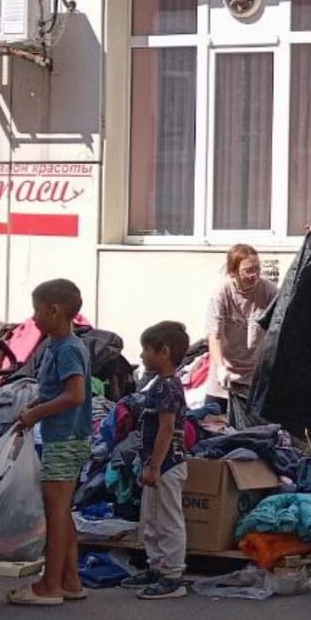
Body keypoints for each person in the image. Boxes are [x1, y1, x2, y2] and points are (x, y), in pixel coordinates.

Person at [7, 279, 92, 607]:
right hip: (64, 436)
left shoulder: (68, 348)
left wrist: (37, 413)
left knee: (55, 510)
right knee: (61, 509)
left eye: (37, 310)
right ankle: (70, 580)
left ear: (54, 310)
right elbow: (56, 391)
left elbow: (75, 394)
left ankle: (50, 584)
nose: (34, 318)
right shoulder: (58, 346)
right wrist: (34, 408)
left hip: (65, 438)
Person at [121, 321, 191, 600]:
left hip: (167, 464)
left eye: (146, 349)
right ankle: (157, 566)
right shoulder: (158, 385)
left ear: (164, 352)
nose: (142, 355)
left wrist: (155, 466)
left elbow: (166, 428)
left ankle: (172, 575)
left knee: (168, 520)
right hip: (155, 463)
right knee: (151, 519)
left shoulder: (169, 387)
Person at [204, 244, 278, 411]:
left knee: (255, 424)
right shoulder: (221, 294)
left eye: (257, 269)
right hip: (224, 373)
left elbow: (281, 325)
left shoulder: (269, 291)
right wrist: (220, 367)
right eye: (248, 270)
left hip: (255, 374)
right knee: (211, 420)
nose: (254, 275)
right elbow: (214, 335)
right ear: (233, 272)